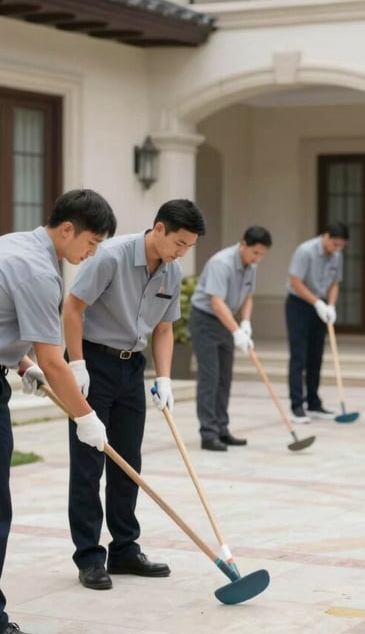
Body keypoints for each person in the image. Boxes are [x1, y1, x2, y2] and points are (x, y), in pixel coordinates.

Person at [0, 189, 116, 634]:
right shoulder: (38, 272)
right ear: (67, 229)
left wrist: (19, 361)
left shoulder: (10, 243)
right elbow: (55, 359)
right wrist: (85, 416)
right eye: (91, 242)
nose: (91, 253)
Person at [60, 199, 206, 591]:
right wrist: (77, 365)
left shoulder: (171, 272)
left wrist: (165, 379)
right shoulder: (110, 256)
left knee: (128, 463)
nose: (181, 252)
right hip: (93, 362)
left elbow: (163, 329)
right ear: (159, 229)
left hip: (131, 368)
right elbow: (72, 309)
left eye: (189, 246)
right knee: (90, 463)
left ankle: (124, 549)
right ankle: (90, 557)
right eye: (179, 242)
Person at [190, 226, 272, 451]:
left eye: (262, 254)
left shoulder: (251, 266)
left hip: (227, 320)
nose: (258, 258)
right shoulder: (222, 263)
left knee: (224, 378)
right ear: (243, 244)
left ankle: (222, 429)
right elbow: (216, 302)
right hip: (206, 320)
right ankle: (208, 433)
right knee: (210, 377)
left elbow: (248, 297)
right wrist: (236, 331)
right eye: (255, 252)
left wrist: (245, 324)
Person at [285, 222, 349, 423]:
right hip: (299, 304)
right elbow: (295, 282)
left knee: (316, 356)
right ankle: (297, 406)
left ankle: (314, 403)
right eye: (334, 244)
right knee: (299, 357)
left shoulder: (337, 255)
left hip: (320, 307)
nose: (336, 249)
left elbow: (334, 283)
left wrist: (330, 305)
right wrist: (316, 303)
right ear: (326, 237)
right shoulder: (305, 251)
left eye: (341, 246)